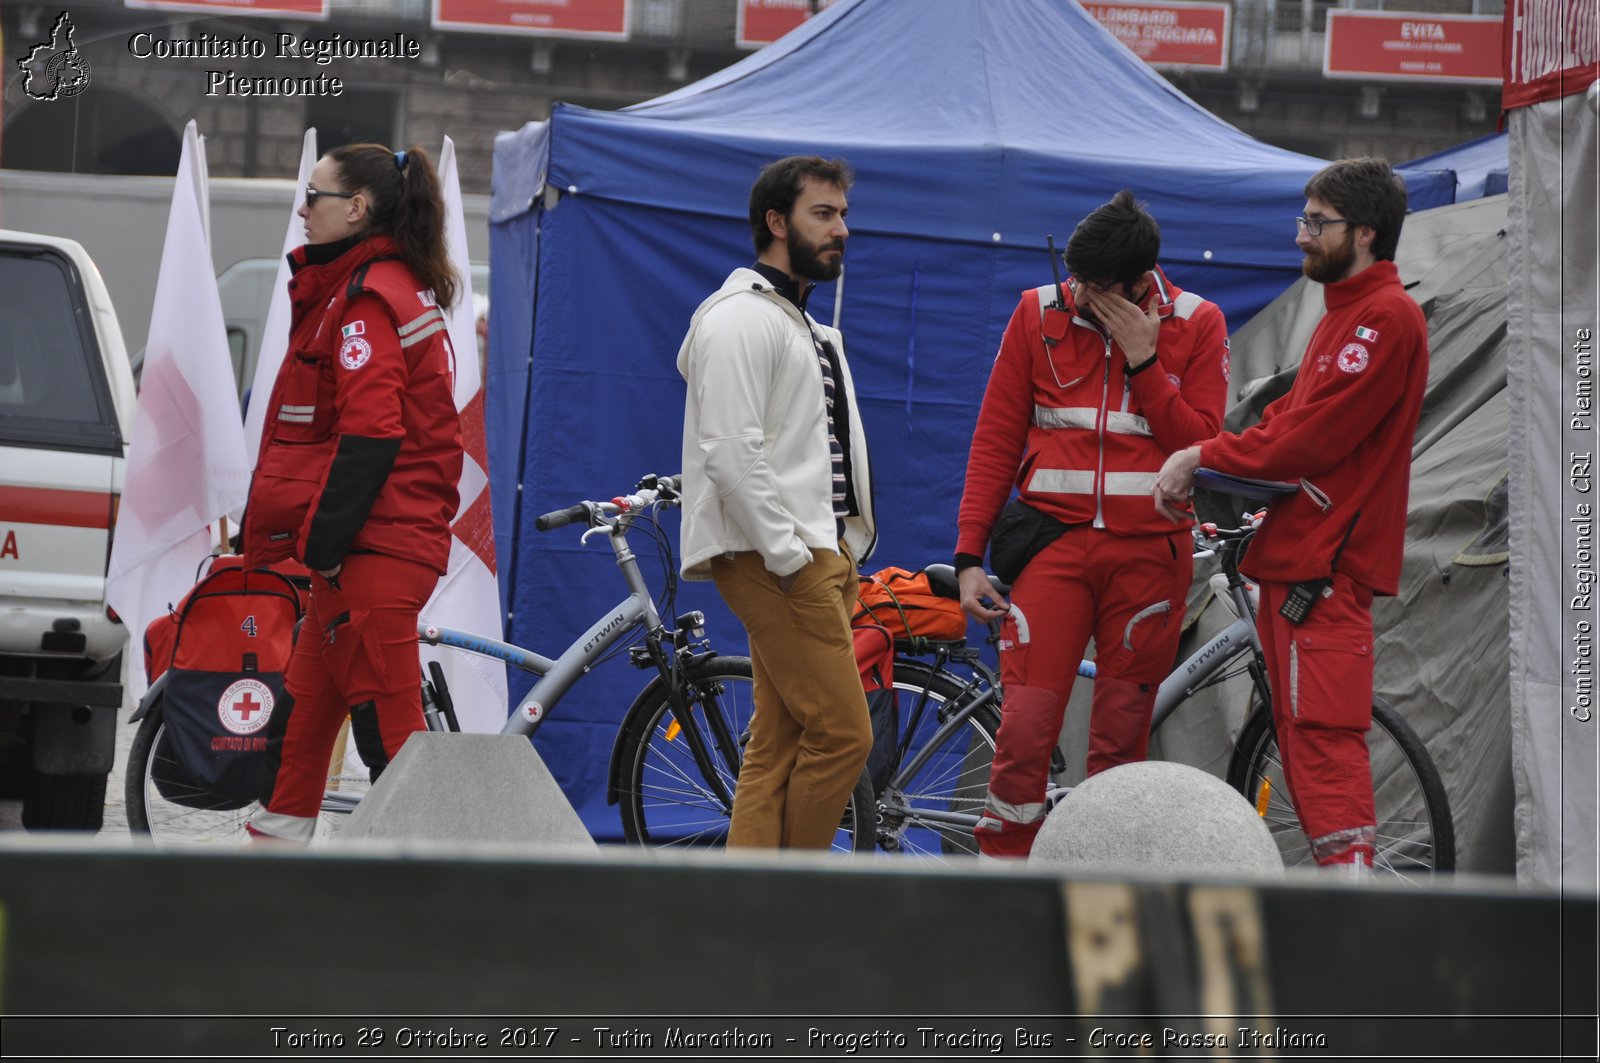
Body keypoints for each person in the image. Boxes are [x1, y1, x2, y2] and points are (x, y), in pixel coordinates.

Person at [1152, 157, 1428, 874]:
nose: (1301, 234)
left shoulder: (1381, 319)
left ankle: (1352, 906)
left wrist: (1199, 455)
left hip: (1324, 571)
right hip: (1304, 560)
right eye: (1304, 218)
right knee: (1305, 740)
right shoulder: (1349, 314)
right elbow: (1292, 421)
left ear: (1363, 233)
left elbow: (1309, 437)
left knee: (1322, 739)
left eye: (1316, 221)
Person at [954, 190, 1230, 858]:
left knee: (1120, 743)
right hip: (1053, 545)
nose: (1076, 293)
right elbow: (994, 438)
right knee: (1023, 728)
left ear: (1139, 283)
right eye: (1071, 276)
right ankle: (1003, 880)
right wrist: (967, 555)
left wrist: (1145, 359)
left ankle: (1103, 893)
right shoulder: (1035, 312)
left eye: (1095, 286)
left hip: (1148, 559)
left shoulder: (1199, 323)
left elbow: (1201, 447)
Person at [242, 143, 464, 843]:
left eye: (314, 196)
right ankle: (270, 895)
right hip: (360, 552)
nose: (304, 210)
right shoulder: (379, 286)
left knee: (392, 737)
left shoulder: (369, 299)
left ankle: (430, 911)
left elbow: (372, 434)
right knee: (300, 728)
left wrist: (324, 544)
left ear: (357, 208)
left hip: (374, 550)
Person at [676, 155, 877, 849]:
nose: (841, 228)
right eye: (823, 213)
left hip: (809, 552)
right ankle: (791, 899)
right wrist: (792, 556)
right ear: (775, 222)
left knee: (781, 740)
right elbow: (730, 452)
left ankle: (749, 909)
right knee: (845, 734)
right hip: (779, 557)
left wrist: (837, 547)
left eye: (843, 214)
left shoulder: (798, 324)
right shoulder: (739, 319)